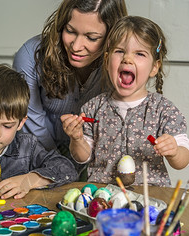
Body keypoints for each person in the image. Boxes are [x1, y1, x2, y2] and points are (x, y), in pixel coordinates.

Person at [61, 16, 189, 187]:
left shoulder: (164, 110)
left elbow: (182, 161)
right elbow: (82, 157)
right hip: (103, 196)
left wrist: (174, 151)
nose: (127, 59)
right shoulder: (92, 108)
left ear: (154, 67)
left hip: (149, 196)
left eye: (140, 53)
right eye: (119, 51)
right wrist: (76, 139)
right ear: (106, 60)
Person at [13, 0, 127, 163]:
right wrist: (58, 166)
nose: (76, 46)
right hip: (37, 155)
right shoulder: (30, 55)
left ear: (112, 37)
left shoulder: (122, 64)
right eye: (70, 31)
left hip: (95, 159)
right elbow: (30, 124)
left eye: (91, 37)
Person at [0, 64, 78, 199]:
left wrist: (29, 180)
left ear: (20, 123)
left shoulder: (27, 146)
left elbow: (67, 169)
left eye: (7, 126)